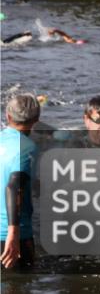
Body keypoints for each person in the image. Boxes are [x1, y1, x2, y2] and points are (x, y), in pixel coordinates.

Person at [1, 94, 40, 270]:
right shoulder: (26, 148)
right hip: (12, 238)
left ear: (8, 116)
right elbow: (13, 186)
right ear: (36, 120)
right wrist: (13, 233)